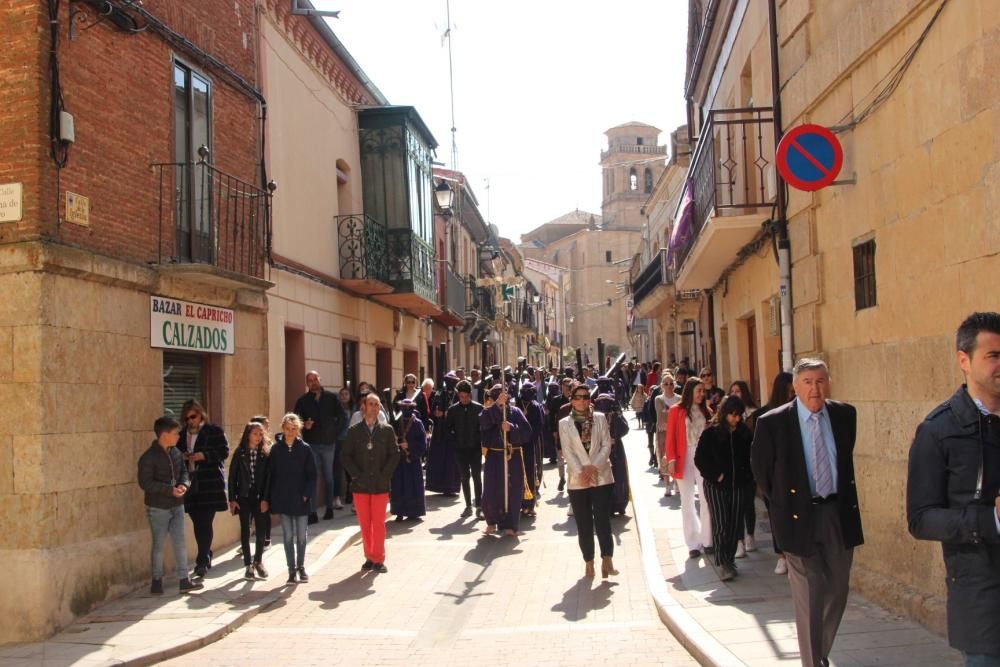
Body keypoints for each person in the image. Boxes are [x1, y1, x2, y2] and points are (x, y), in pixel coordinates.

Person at [751, 358, 863, 667]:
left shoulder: (844, 415)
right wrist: (785, 507)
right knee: (811, 591)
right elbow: (761, 473)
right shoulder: (772, 423)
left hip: (837, 513)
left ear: (828, 383)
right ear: (796, 387)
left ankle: (820, 650)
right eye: (808, 382)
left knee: (839, 588)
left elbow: (844, 459)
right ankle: (812, 662)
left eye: (821, 380)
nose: (816, 388)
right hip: (797, 517)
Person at [907, 312, 1000, 664]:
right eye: (993, 355)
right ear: (964, 360)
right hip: (983, 603)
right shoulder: (937, 430)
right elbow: (921, 519)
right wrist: (991, 519)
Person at [138, 416, 203, 595]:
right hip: (158, 507)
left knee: (180, 541)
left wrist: (184, 485)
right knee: (158, 544)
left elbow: (184, 472)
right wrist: (169, 490)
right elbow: (145, 483)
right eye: (175, 433)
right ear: (164, 434)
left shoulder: (175, 452)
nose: (178, 436)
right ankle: (156, 580)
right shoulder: (148, 457)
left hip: (177, 504)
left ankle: (184, 579)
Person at [560, 386, 617, 578]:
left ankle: (607, 559)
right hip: (578, 480)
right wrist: (582, 472)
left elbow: (606, 444)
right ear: (572, 400)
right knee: (584, 523)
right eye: (578, 397)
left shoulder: (600, 418)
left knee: (602, 520)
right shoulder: (564, 423)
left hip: (601, 476)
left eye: (586, 397)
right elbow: (567, 451)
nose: (583, 401)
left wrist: (593, 467)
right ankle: (589, 561)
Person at [695, 396, 753, 582]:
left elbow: (750, 456)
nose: (736, 419)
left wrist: (747, 476)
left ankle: (729, 558)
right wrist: (716, 475)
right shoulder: (711, 433)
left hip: (738, 486)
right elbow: (700, 459)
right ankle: (722, 562)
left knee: (735, 524)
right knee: (721, 523)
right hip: (716, 487)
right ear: (725, 413)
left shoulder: (744, 432)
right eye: (733, 415)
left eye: (739, 415)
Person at [342, 394, 400, 573]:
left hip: (380, 485)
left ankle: (379, 558)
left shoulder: (387, 430)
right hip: (361, 485)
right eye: (371, 404)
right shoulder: (354, 431)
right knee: (365, 524)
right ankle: (369, 556)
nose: (374, 408)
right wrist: (355, 475)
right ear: (364, 407)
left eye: (377, 405)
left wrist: (385, 475)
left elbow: (395, 454)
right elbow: (345, 456)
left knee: (379, 523)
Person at [750, 371, 796, 574]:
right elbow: (757, 453)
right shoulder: (763, 416)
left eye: (793, 392)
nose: (791, 396)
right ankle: (781, 555)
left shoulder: (799, 412)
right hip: (775, 477)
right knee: (776, 516)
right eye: (788, 392)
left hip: (796, 474)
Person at [178, 400, 229, 578]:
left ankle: (201, 561)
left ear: (201, 414)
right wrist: (184, 456)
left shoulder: (213, 431)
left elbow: (224, 452)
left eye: (193, 416)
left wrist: (204, 455)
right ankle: (206, 553)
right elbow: (175, 455)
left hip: (209, 483)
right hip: (190, 484)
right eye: (187, 418)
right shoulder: (181, 434)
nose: (190, 421)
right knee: (197, 521)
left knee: (204, 522)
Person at [665, 378, 714, 559]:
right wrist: (670, 459)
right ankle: (693, 543)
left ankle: (708, 540)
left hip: (703, 457)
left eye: (703, 391)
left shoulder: (707, 411)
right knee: (686, 501)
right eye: (698, 391)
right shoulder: (676, 411)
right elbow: (670, 437)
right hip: (683, 456)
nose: (702, 394)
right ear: (690, 391)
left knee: (706, 497)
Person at [269, 413, 317, 584]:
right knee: (288, 536)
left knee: (302, 536)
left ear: (298, 430)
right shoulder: (276, 450)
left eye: (294, 429)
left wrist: (306, 495)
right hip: (283, 500)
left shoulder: (305, 449)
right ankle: (291, 570)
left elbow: (312, 475)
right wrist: (271, 498)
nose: (290, 432)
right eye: (288, 429)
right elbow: (271, 475)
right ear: (283, 429)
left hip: (300, 500)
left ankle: (301, 566)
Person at [293, 371, 346, 523]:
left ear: (320, 380)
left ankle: (329, 508)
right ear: (306, 383)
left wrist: (336, 434)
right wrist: (304, 426)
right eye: (309, 380)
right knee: (313, 478)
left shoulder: (331, 397)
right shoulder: (302, 401)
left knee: (328, 476)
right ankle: (312, 512)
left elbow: (343, 417)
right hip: (311, 445)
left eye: (315, 379)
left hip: (329, 444)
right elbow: (295, 421)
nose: (313, 382)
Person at [479, 385, 532, 537]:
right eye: (496, 395)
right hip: (494, 458)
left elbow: (527, 433)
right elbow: (484, 425)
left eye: (503, 394)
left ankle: (511, 525)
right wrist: (497, 407)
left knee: (513, 491)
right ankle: (491, 522)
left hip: (512, 457)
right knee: (490, 492)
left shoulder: (516, 412)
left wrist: (512, 428)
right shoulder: (487, 412)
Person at [228, 421, 272, 580]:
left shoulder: (265, 454)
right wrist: (232, 498)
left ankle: (258, 561)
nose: (258, 437)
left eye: (261, 434)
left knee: (261, 529)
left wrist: (266, 498)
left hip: (259, 497)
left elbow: (268, 478)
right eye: (255, 434)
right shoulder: (240, 453)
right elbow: (232, 477)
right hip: (244, 496)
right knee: (245, 530)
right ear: (248, 435)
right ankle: (248, 565)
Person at [726, 380, 759, 558]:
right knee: (736, 506)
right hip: (734, 468)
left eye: (738, 391)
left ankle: (750, 535)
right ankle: (739, 541)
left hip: (749, 466)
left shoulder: (754, 414)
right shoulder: (728, 416)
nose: (735, 394)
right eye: (732, 392)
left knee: (748, 504)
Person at [446, 380, 485, 518]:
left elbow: (484, 429)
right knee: (464, 477)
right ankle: (468, 505)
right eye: (461, 397)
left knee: (476, 477)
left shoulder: (479, 408)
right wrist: (454, 442)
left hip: (475, 449)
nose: (463, 399)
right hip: (460, 449)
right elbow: (447, 429)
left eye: (466, 397)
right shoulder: (452, 410)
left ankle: (479, 506)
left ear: (470, 395)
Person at [389, 399, 427, 521]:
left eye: (409, 408)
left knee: (412, 485)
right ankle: (399, 511)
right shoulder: (395, 422)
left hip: (412, 461)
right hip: (399, 461)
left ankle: (413, 511)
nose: (406, 410)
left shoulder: (417, 423)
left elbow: (423, 443)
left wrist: (409, 445)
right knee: (399, 486)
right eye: (404, 408)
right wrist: (396, 442)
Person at [425, 373, 462, 495]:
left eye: (453, 381)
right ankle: (437, 485)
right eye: (449, 380)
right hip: (440, 431)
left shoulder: (458, 395)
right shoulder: (439, 393)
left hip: (454, 431)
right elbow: (433, 410)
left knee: (452, 460)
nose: (451, 383)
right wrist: (437, 413)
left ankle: (451, 487)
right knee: (439, 458)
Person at [595, 393, 630, 516]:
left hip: (617, 450)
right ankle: (607, 506)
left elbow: (625, 429)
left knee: (619, 475)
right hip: (600, 451)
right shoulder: (594, 417)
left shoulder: (615, 414)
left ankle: (620, 504)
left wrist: (618, 415)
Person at [518, 383, 545, 517]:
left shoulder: (536, 406)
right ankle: (517, 503)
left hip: (530, 444)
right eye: (524, 391)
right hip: (517, 444)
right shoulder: (516, 404)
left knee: (530, 472)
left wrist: (529, 440)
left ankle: (529, 504)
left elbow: (539, 426)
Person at [249, 415, 273, 547]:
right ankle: (248, 539)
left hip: (265, 487)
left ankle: (266, 538)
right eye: (265, 425)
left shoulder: (268, 444)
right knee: (250, 515)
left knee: (265, 513)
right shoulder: (246, 449)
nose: (267, 428)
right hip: (251, 488)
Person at [655, 374, 680, 494]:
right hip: (663, 432)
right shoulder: (658, 399)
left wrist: (668, 412)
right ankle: (667, 485)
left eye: (671, 383)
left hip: (677, 432)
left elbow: (679, 416)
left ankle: (676, 482)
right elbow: (661, 415)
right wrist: (671, 413)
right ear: (662, 386)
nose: (669, 386)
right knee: (664, 456)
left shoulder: (679, 398)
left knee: (676, 456)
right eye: (666, 383)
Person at [334, 389, 354, 510]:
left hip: (351, 441)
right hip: (339, 441)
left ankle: (350, 492)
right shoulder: (336, 409)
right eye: (341, 394)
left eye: (346, 394)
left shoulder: (354, 408)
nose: (344, 396)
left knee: (350, 469)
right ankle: (337, 496)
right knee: (338, 467)